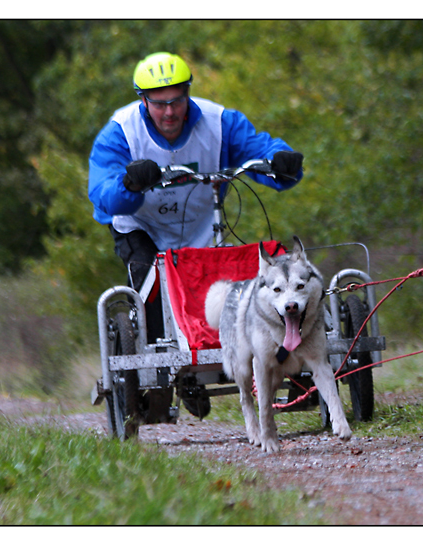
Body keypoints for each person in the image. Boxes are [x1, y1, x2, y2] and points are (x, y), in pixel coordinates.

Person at [88, 52, 304, 341]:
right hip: (142, 227)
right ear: (143, 101)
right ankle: (150, 359)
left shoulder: (220, 123)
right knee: (152, 298)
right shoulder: (120, 132)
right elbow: (103, 192)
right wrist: (129, 184)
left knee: (219, 288)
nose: (169, 112)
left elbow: (258, 148)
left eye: (176, 101)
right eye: (159, 104)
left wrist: (281, 163)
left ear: (188, 94)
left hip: (200, 222)